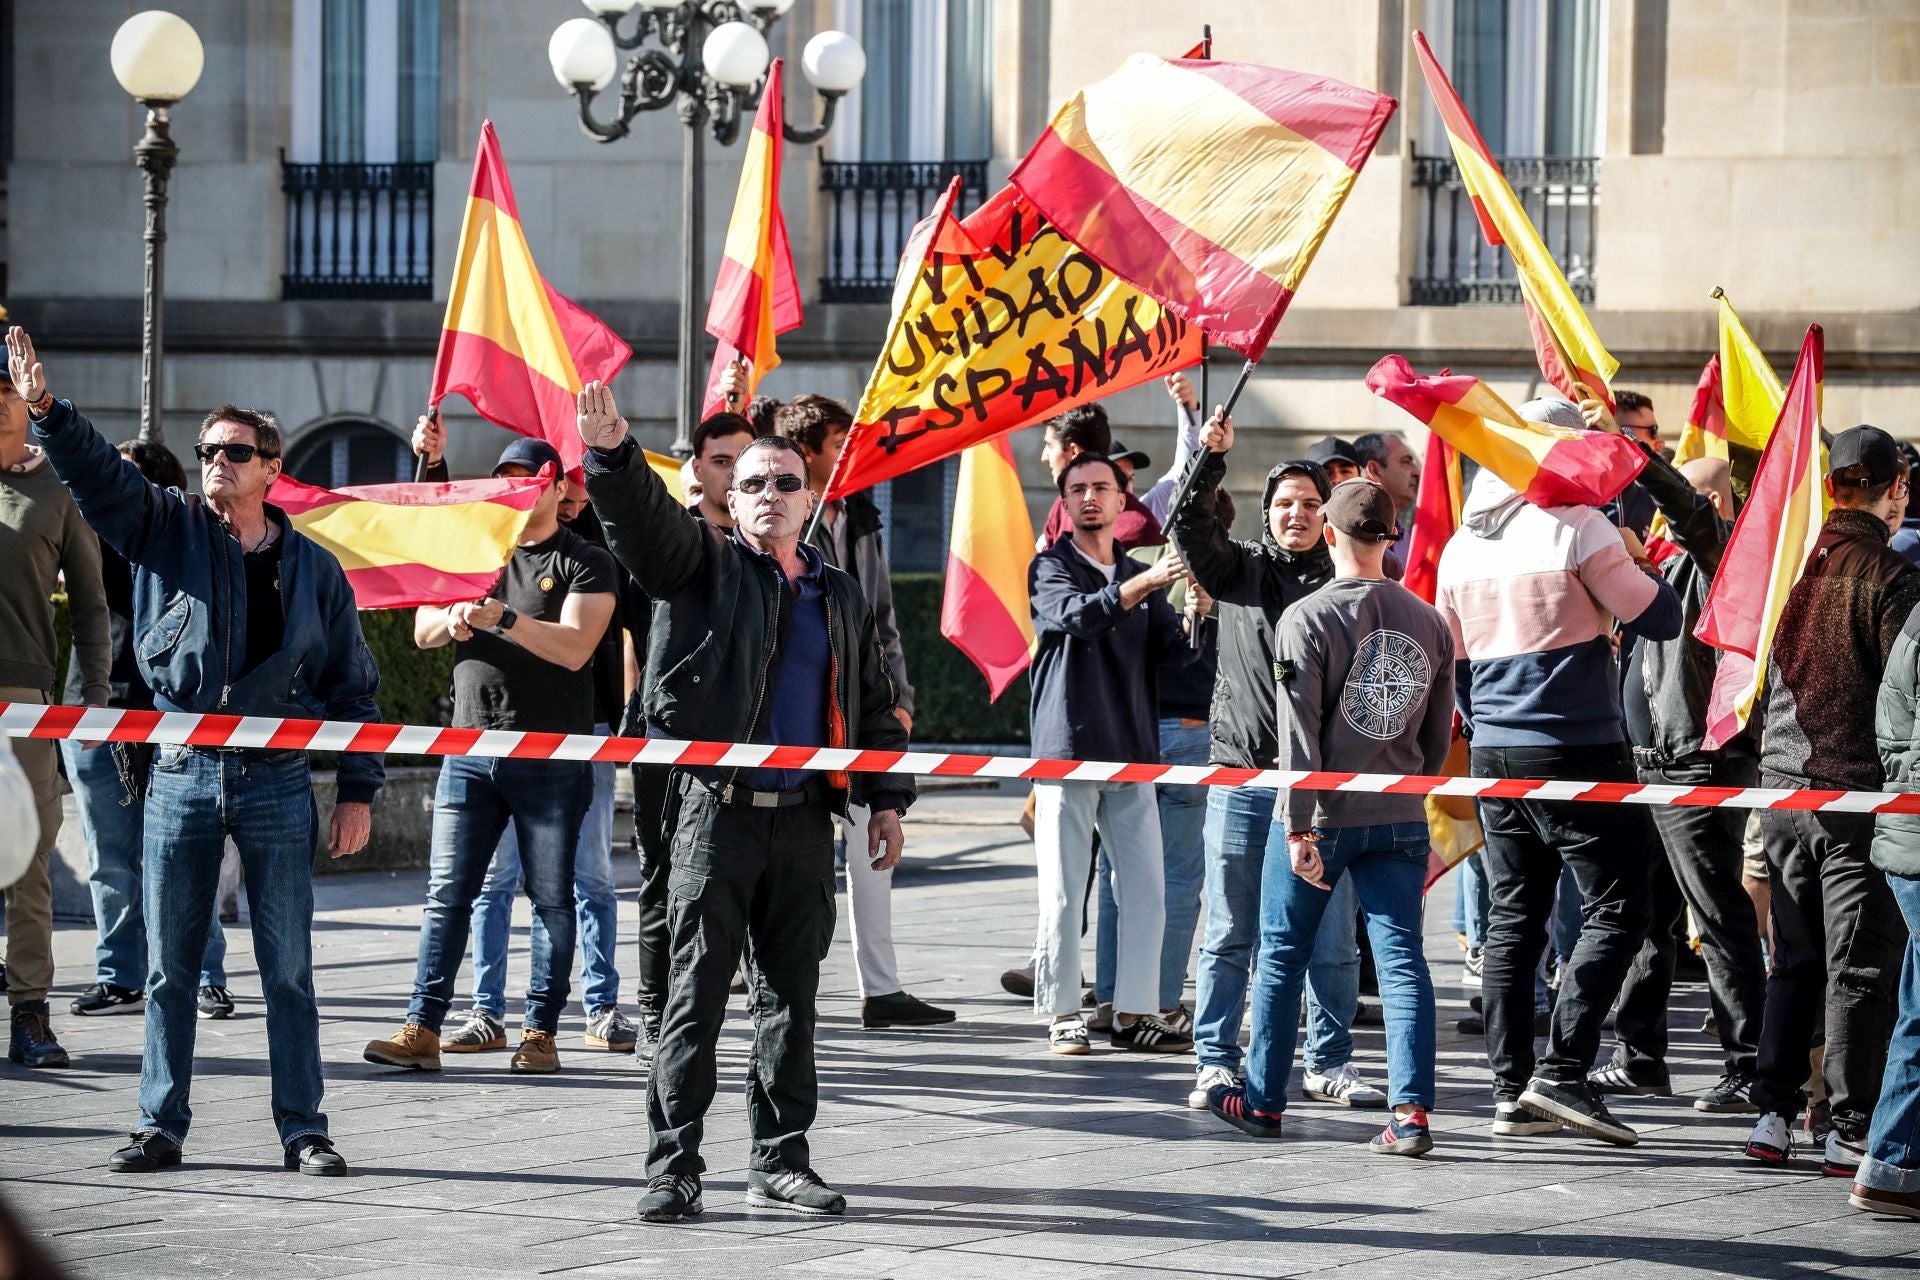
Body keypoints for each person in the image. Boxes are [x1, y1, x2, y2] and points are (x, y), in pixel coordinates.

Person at [16, 325, 383, 1176]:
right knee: (171, 968)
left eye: (236, 450)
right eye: (208, 449)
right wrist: (46, 410)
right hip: (180, 774)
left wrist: (359, 791)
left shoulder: (317, 572)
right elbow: (99, 479)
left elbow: (353, 689)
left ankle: (304, 1127)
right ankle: (160, 1124)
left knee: (287, 969)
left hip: (276, 782)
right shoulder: (164, 530)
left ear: (270, 467)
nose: (217, 460)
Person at [578, 380, 914, 1223]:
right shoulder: (708, 564)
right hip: (713, 815)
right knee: (694, 999)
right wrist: (614, 455)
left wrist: (884, 799)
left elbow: (872, 703)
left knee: (791, 1004)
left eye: (784, 483)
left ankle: (780, 1159)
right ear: (729, 495)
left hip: (803, 822)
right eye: (751, 483)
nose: (767, 495)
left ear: (810, 498)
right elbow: (645, 529)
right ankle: (673, 1166)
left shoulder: (835, 594)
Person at [1435, 395, 1682, 1147]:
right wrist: (1640, 561)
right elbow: (1659, 617)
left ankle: (1510, 1088)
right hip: (1576, 746)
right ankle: (1565, 1072)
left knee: (1516, 916)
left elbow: (1456, 664)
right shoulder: (1579, 526)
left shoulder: (1459, 545)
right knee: (1620, 907)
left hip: (1497, 752)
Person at [1208, 478, 1454, 1155]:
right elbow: (1438, 736)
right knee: (1404, 959)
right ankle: (1410, 1115)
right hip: (1401, 812)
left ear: (1330, 533)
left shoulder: (1306, 618)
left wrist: (1296, 824)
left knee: (1283, 957)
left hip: (1325, 815)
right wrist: (1413, 792)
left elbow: (1299, 737)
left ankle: (1262, 1101)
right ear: (1390, 537)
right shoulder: (1430, 621)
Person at [363, 435, 616, 1076]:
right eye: (503, 475)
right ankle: (422, 1027)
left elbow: (576, 647)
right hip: (469, 750)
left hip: (551, 755)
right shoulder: (473, 552)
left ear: (559, 486)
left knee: (554, 898)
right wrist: (450, 619)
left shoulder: (587, 560)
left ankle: (540, 1032)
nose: (514, 487)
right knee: (449, 892)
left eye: (527, 477)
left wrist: (503, 620)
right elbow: (419, 628)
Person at [1168, 428, 1384, 1112]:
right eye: (1285, 502)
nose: (1297, 512)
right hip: (1240, 778)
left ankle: (1328, 1062)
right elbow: (1185, 521)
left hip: (1322, 792)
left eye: (1310, 504)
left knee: (1331, 937)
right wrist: (1214, 456)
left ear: (1328, 518)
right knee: (1231, 930)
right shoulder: (1237, 570)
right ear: (1265, 514)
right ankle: (1214, 1061)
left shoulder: (1349, 581)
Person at [1743, 425, 1918, 1177]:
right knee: (1858, 969)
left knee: (1795, 962)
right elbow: (1898, 691)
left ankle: (1773, 1112)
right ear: (1893, 486)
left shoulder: (1790, 564)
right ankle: (1848, 1125)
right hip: (1854, 796)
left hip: (1781, 790)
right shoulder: (1890, 573)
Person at [1592, 441, 1767, 1114]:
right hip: (1650, 764)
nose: (1661, 523)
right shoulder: (1661, 569)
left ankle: (1748, 1064)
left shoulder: (1722, 557)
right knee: (1645, 919)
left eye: (1677, 506)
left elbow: (1687, 515)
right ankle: (1640, 1057)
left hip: (1698, 764)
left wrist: (1637, 457)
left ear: (1712, 506)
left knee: (1719, 915)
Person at [774, 390, 950, 1031]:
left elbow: (881, 620)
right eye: (842, 440)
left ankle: (883, 989)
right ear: (811, 449)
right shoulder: (792, 519)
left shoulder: (862, 512)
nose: (858, 449)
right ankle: (782, 985)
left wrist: (898, 698)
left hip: (864, 714)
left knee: (877, 842)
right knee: (797, 859)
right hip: (805, 722)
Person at [1028, 452, 1200, 1056]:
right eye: (1078, 489)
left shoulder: (1137, 573)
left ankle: (1133, 1011)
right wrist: (1146, 584)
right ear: (1065, 503)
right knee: (1064, 889)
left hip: (1133, 751)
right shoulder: (1051, 567)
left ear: (1123, 500)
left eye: (1103, 487)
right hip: (1068, 748)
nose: (1091, 497)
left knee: (1148, 890)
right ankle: (1062, 1013)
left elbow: (1173, 655)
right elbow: (1078, 618)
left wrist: (1196, 617)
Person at [62, 440, 234, 1022]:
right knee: (109, 855)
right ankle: (120, 977)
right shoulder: (86, 526)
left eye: (123, 479)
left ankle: (207, 975)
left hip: (172, 717)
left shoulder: (185, 540)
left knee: (187, 852)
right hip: (91, 709)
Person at [0, 348, 110, 1069]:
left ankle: (31, 1014)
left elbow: (92, 609)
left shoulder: (56, 488)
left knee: (25, 865)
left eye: (5, 388)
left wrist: (92, 699)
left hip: (24, 706)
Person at [1856, 600, 1920, 1218]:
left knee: (1917, 1011)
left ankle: (1893, 1164)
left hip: (1908, 841)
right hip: (1916, 842)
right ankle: (1892, 1164)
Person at [1035, 404, 1165, 549]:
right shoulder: (1061, 506)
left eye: (1050, 446)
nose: (1044, 457)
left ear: (1074, 451)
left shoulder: (1137, 529)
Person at [1351, 431, 1421, 564]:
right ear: (1374, 470)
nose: (1416, 472)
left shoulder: (1403, 535)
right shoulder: (1351, 534)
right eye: (1406, 462)